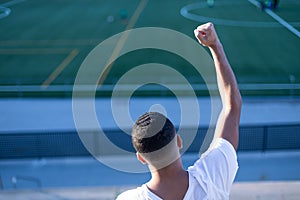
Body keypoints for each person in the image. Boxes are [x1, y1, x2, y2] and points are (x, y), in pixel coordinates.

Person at [116, 22, 242, 200]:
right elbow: (232, 105)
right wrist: (215, 46)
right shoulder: (213, 176)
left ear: (141, 158)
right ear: (179, 141)